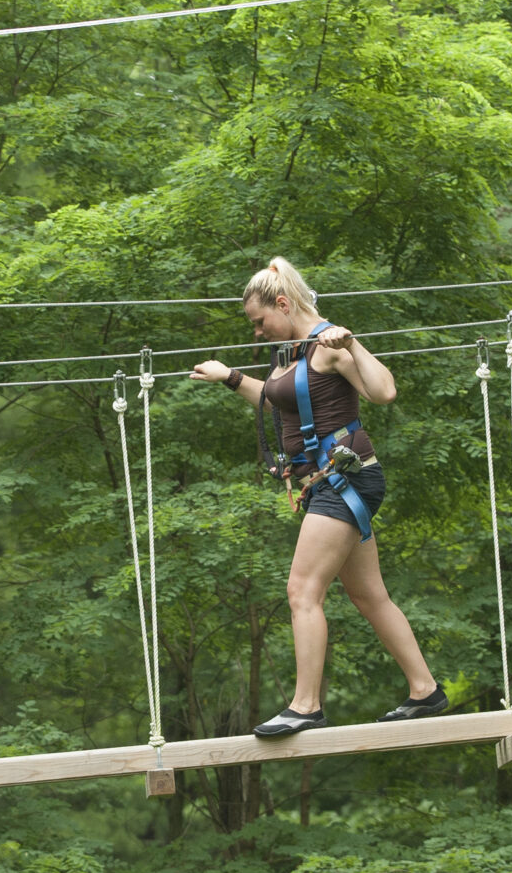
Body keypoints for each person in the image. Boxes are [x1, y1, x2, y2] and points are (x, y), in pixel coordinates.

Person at [190, 258, 446, 736]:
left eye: (260, 321)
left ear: (283, 305)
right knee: (368, 594)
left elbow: (384, 391)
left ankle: (306, 705)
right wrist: (229, 377)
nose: (258, 332)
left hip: (344, 480)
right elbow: (277, 397)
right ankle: (425, 689)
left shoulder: (328, 346)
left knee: (302, 591)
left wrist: (350, 344)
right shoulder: (292, 352)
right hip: (329, 484)